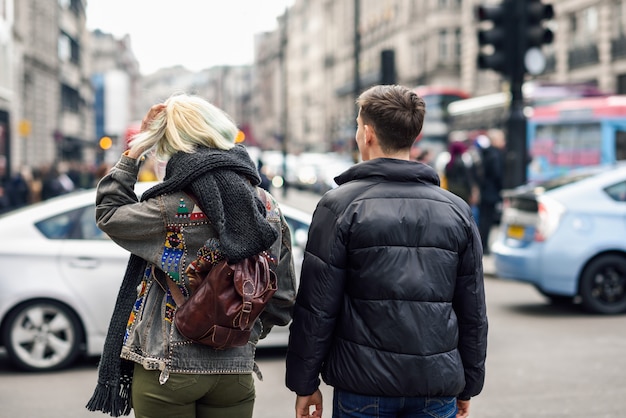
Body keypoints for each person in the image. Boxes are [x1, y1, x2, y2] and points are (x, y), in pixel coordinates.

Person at [87, 93, 297, 418]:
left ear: (169, 143)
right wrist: (239, 334)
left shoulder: (169, 206)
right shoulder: (265, 205)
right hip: (236, 371)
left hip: (168, 367)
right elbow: (282, 298)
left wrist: (134, 150)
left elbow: (109, 212)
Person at [285, 85, 488, 418]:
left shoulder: (339, 206)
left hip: (362, 387)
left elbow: (316, 307)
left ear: (367, 134)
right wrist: (468, 383)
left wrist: (304, 384)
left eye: (356, 125)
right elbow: (472, 310)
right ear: (415, 135)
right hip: (435, 386)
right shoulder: (457, 210)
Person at [477, 130, 505, 254]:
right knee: (487, 221)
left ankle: (481, 244)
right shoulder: (495, 155)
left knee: (483, 220)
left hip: (484, 191)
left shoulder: (484, 153)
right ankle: (484, 246)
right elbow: (497, 174)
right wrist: (501, 189)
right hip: (491, 192)